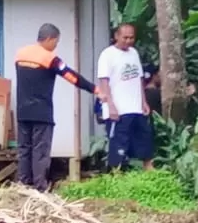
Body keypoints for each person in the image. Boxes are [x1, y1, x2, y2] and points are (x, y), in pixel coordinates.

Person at [12, 23, 95, 191]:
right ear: (49, 39)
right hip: (42, 113)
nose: (56, 46)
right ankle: (40, 188)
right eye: (56, 42)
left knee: (24, 150)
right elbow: (71, 77)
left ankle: (22, 186)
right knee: (40, 152)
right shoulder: (50, 58)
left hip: (23, 112)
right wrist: (94, 89)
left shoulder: (20, 54)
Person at [96, 22, 154, 171]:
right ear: (116, 36)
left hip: (136, 107)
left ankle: (149, 168)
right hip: (118, 109)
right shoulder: (107, 55)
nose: (128, 41)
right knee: (119, 143)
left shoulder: (133, 53)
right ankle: (117, 174)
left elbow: (139, 79)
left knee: (144, 138)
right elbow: (104, 81)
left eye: (131, 38)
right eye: (125, 37)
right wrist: (111, 105)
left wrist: (144, 102)